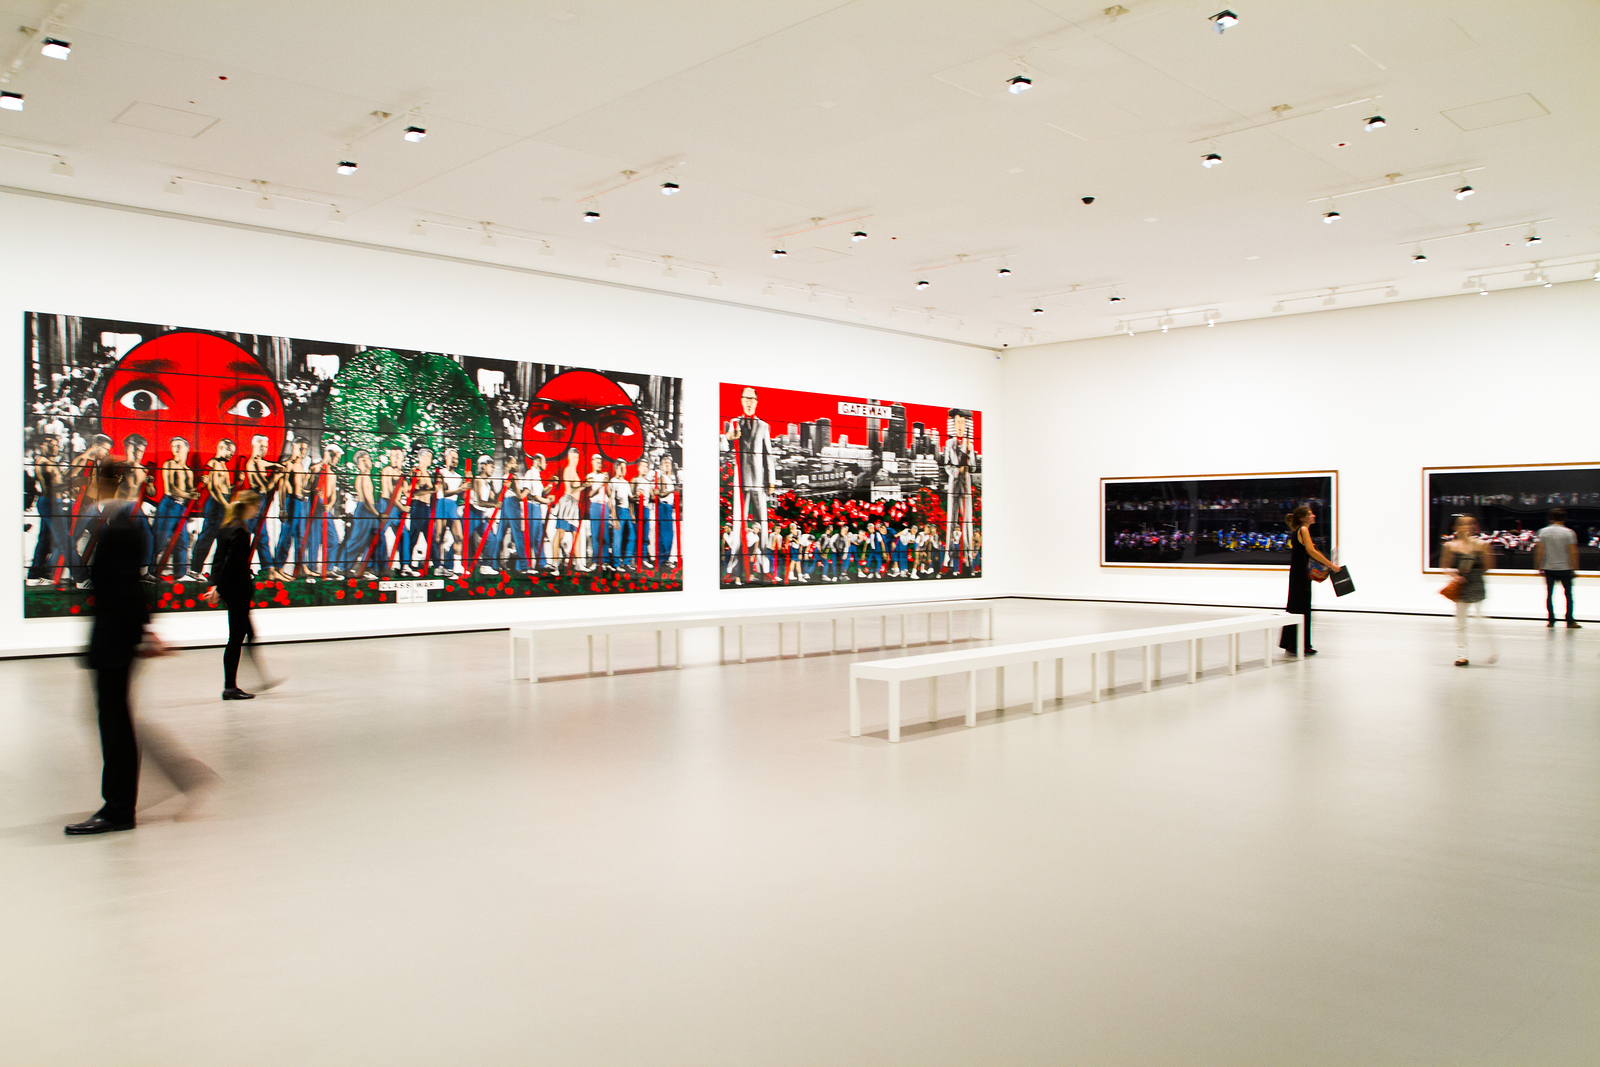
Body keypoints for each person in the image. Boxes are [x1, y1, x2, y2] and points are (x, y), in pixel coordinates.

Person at [66, 457, 212, 835]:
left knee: (115, 723)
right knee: (118, 721)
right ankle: (163, 784)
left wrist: (143, 633)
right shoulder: (119, 525)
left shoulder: (121, 529)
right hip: (116, 637)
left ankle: (119, 809)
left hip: (114, 640)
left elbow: (128, 588)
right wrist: (145, 631)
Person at [203, 490, 279, 698]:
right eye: (256, 507)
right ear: (248, 506)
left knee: (247, 634)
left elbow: (218, 561)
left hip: (232, 590)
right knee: (236, 638)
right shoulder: (240, 531)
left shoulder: (227, 528)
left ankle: (249, 677)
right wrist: (218, 589)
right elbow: (230, 565)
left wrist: (214, 586)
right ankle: (231, 687)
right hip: (237, 591)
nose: (257, 511)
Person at [1279, 505, 1342, 656]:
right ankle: (1301, 644)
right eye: (1310, 514)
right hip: (1301, 575)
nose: (1314, 516)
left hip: (1298, 573)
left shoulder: (1298, 531)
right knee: (1301, 609)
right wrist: (1331, 565)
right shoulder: (1303, 530)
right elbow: (1311, 551)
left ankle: (1293, 643)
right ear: (1303, 518)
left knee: (1295, 607)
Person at [1442, 515, 1498, 667]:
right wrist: (1455, 576)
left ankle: (1492, 651)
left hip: (1476, 584)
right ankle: (1462, 656)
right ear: (1457, 527)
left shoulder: (1482, 545)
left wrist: (1475, 572)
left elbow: (1488, 565)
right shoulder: (1450, 546)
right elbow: (1445, 566)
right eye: (1463, 524)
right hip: (1461, 586)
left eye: (1470, 524)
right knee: (1461, 623)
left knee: (1481, 620)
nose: (1467, 527)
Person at [186, 438, 237, 581]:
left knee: (224, 539)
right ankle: (195, 569)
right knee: (208, 536)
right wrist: (225, 504)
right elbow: (214, 488)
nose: (231, 454)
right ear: (221, 448)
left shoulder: (224, 465)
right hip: (216, 504)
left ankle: (218, 572)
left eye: (233, 452)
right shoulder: (213, 463)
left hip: (224, 504)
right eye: (230, 451)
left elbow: (226, 487)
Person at [1534, 507, 1581, 629]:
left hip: (1549, 567)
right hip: (1565, 568)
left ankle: (1551, 620)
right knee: (1568, 595)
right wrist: (1575, 568)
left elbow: (1540, 551)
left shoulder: (1543, 532)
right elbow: (1572, 552)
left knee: (1549, 595)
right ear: (1564, 518)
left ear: (1551, 518)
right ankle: (1569, 621)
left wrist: (1538, 567)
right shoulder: (1569, 533)